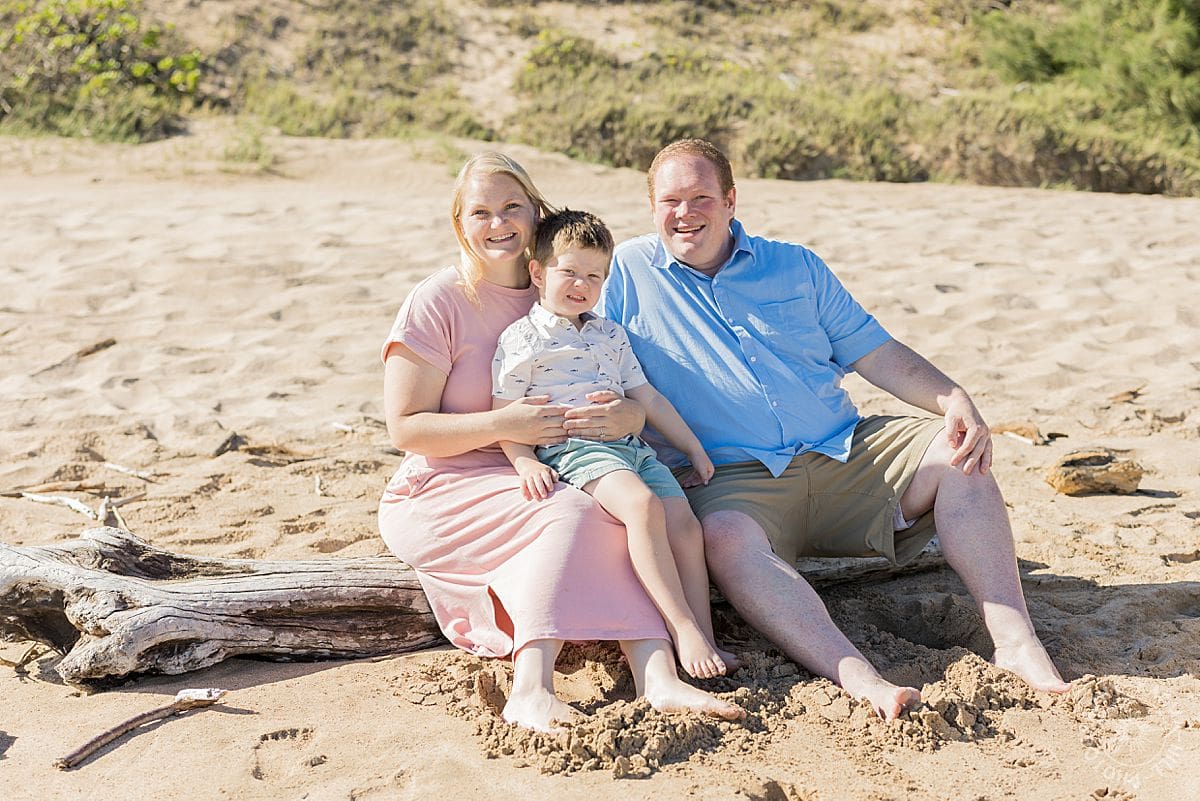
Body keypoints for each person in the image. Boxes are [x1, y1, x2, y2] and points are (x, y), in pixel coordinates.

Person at [600, 138, 1071, 721]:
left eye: (702, 197)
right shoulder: (624, 275)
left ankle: (1017, 643)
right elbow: (573, 344)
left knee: (959, 454)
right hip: (731, 479)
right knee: (722, 535)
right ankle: (861, 678)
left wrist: (954, 398)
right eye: (671, 200)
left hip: (846, 450)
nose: (685, 213)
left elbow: (876, 353)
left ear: (731, 200)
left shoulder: (795, 265)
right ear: (651, 208)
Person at [378, 151, 743, 733]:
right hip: (448, 479)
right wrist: (505, 428)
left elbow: (623, 384)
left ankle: (658, 676)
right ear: (460, 223)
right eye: (480, 212)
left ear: (535, 212)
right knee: (577, 513)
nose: (498, 223)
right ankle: (531, 689)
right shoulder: (439, 299)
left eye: (511, 207)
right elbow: (405, 428)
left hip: (553, 461)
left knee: (619, 510)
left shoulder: (566, 282)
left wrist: (627, 417)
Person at [492, 208, 733, 680]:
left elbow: (648, 397)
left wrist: (692, 447)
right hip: (574, 450)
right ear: (538, 273)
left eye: (594, 276)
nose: (580, 284)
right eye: (569, 272)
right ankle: (681, 628)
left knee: (685, 526)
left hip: (632, 449)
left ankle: (705, 635)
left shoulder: (609, 333)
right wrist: (523, 462)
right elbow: (506, 414)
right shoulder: (522, 338)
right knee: (642, 507)